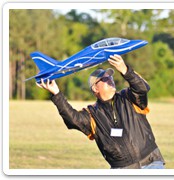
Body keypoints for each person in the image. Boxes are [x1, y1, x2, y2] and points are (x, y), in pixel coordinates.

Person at [37, 54, 165, 169]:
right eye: (105, 79)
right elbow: (73, 119)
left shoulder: (128, 96)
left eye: (110, 77)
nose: (110, 79)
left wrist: (125, 70)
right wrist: (56, 94)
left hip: (151, 162)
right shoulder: (92, 114)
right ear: (95, 89)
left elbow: (142, 88)